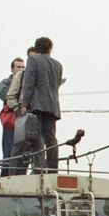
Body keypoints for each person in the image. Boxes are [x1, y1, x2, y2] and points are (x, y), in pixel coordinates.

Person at [16, 37, 65, 174]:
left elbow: (29, 82)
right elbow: (56, 85)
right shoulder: (58, 65)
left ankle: (39, 167)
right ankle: (53, 168)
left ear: (36, 49)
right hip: (53, 105)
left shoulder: (33, 60)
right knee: (51, 138)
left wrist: (25, 103)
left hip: (37, 104)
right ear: (50, 48)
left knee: (37, 137)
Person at [0, 58, 23, 176]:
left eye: (23, 67)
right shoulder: (6, 82)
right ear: (12, 69)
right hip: (11, 122)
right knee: (8, 152)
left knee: (22, 152)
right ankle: (5, 175)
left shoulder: (27, 82)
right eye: (18, 67)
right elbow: (4, 95)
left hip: (22, 122)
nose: (21, 69)